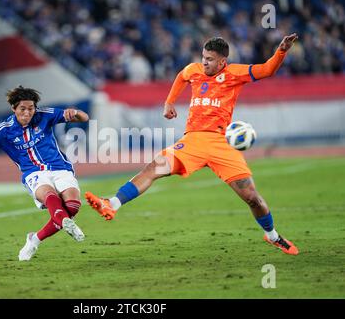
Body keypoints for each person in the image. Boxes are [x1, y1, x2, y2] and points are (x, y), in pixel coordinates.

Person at [86, 34, 300, 255]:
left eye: (209, 59)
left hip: (219, 144)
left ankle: (272, 235)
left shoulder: (235, 73)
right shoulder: (194, 70)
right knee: (153, 168)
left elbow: (267, 70)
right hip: (193, 142)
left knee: (252, 198)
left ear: (222, 62)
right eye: (203, 57)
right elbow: (181, 76)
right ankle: (112, 203)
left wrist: (281, 50)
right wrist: (169, 102)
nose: (204, 62)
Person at [0, 86, 89, 261]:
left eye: (31, 108)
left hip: (60, 168)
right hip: (33, 173)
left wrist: (77, 113)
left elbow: (84, 117)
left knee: (72, 207)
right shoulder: (3, 130)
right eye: (23, 109)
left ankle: (34, 239)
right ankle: (64, 224)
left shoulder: (45, 115)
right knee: (51, 197)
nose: (28, 113)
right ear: (13, 108)